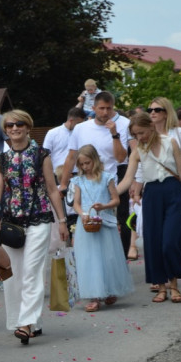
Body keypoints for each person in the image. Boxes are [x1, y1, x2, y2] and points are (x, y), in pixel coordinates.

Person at [0, 110, 69, 343]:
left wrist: (63, 220)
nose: (14, 128)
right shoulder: (1, 160)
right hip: (10, 223)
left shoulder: (40, 154)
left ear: (28, 127)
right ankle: (26, 321)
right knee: (15, 275)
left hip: (39, 218)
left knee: (32, 271)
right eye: (9, 125)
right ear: (5, 129)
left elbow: (52, 188)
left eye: (19, 124)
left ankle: (26, 324)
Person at [118, 114, 181, 304]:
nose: (139, 138)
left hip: (173, 191)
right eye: (135, 135)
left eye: (142, 133)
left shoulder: (170, 142)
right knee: (153, 242)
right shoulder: (138, 150)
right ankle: (161, 287)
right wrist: (110, 193)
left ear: (152, 127)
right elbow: (128, 179)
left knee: (171, 241)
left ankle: (174, 285)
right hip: (152, 193)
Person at [62, 91, 131, 253]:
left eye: (109, 108)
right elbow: (71, 157)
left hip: (112, 180)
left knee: (114, 223)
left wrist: (114, 134)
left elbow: (122, 158)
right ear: (93, 108)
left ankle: (119, 257)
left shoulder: (123, 124)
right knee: (89, 221)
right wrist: (64, 183)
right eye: (101, 108)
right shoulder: (81, 128)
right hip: (86, 183)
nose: (105, 112)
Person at [70, 145, 133, 312]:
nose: (85, 167)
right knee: (89, 259)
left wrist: (104, 206)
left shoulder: (107, 178)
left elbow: (116, 200)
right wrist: (82, 213)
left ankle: (110, 289)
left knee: (108, 257)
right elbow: (76, 203)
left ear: (95, 160)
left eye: (87, 163)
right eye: (81, 164)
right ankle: (94, 295)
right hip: (86, 222)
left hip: (104, 221)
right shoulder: (78, 181)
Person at [44, 107, 87, 175]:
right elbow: (45, 155)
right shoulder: (52, 133)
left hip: (77, 173)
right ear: (71, 120)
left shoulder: (82, 133)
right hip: (57, 173)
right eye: (78, 123)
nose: (80, 126)